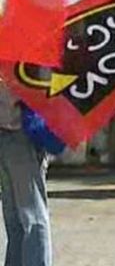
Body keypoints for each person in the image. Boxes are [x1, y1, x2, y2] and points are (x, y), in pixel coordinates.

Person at [0, 81, 52, 266]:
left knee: (32, 217)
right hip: (4, 134)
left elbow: (39, 87)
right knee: (14, 221)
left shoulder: (27, 58)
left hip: (21, 134)